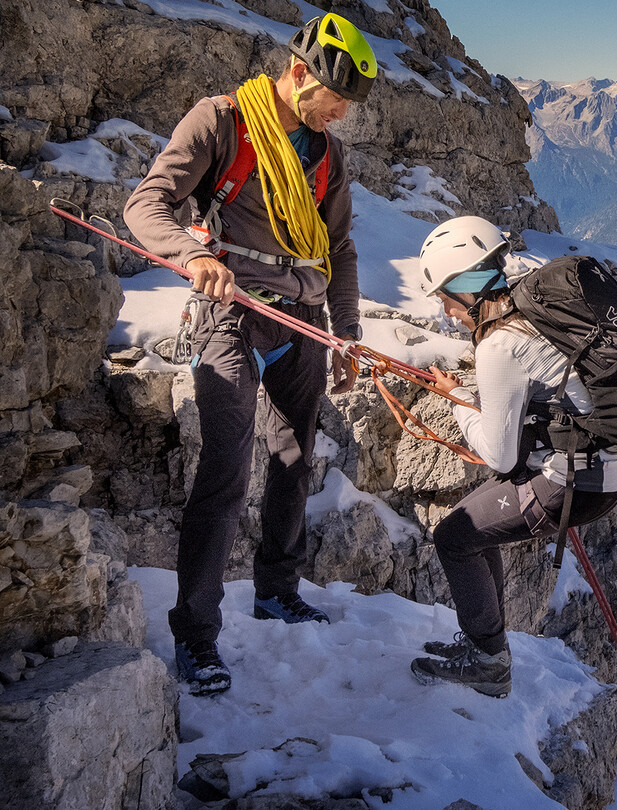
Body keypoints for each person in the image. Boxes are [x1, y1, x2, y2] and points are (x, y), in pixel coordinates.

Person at [122, 13, 379, 696]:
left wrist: (345, 332)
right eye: (336, 97)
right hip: (232, 312)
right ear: (299, 74)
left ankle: (277, 590)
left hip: (302, 315)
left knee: (295, 458)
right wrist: (195, 254)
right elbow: (146, 205)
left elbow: (340, 247)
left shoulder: (328, 152)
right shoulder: (222, 121)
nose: (342, 112)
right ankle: (197, 635)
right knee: (227, 469)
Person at [409, 216, 617, 699]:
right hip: (597, 465)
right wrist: (469, 394)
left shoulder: (498, 345)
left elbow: (499, 457)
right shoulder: (531, 310)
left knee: (453, 537)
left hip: (575, 480)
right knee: (470, 524)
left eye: (446, 298)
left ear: (466, 287)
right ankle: (485, 644)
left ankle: (489, 663)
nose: (447, 312)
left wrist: (455, 403)